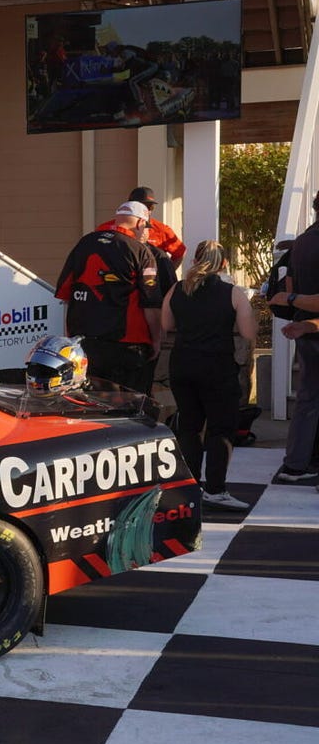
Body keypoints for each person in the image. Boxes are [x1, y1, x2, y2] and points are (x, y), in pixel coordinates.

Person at [161, 241, 257, 510]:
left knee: (189, 427)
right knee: (221, 429)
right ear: (223, 264)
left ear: (194, 260)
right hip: (217, 368)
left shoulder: (177, 289)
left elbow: (167, 324)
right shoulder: (232, 292)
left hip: (182, 365)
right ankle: (215, 489)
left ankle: (189, 487)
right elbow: (249, 333)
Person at [55, 201, 163, 393]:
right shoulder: (140, 251)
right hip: (127, 346)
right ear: (139, 224)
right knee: (131, 411)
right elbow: (151, 304)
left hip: (85, 343)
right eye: (145, 227)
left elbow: (66, 294)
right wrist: (156, 340)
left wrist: (70, 338)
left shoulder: (84, 243)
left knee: (90, 406)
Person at [268, 191, 319, 484]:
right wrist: (295, 297)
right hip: (308, 324)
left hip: (305, 329)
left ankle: (297, 463)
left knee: (308, 399)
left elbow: (288, 283)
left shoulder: (302, 241)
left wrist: (293, 299)